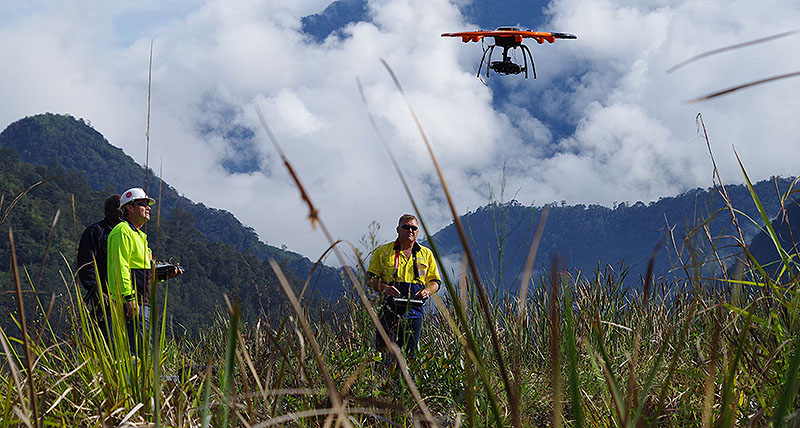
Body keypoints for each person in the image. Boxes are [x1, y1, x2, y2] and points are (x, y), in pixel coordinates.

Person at [107, 187, 182, 354]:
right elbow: (119, 267)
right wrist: (128, 298)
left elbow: (145, 274)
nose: (148, 208)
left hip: (143, 302)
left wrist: (164, 275)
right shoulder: (123, 232)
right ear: (129, 207)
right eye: (143, 204)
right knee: (139, 354)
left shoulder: (140, 236)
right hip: (133, 303)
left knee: (145, 351)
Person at [367, 214, 441, 360]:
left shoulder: (426, 254)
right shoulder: (383, 251)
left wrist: (427, 291)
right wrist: (385, 288)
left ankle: (406, 382)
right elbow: (370, 279)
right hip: (389, 310)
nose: (410, 230)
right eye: (406, 227)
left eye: (414, 228)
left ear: (418, 231)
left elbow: (435, 282)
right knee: (384, 354)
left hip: (415, 311)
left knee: (410, 355)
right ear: (398, 229)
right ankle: (384, 380)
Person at [76, 194, 121, 330]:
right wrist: (96, 290)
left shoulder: (128, 234)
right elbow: (86, 264)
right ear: (110, 211)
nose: (122, 212)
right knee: (107, 338)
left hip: (126, 298)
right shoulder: (95, 232)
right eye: (119, 208)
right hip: (105, 298)